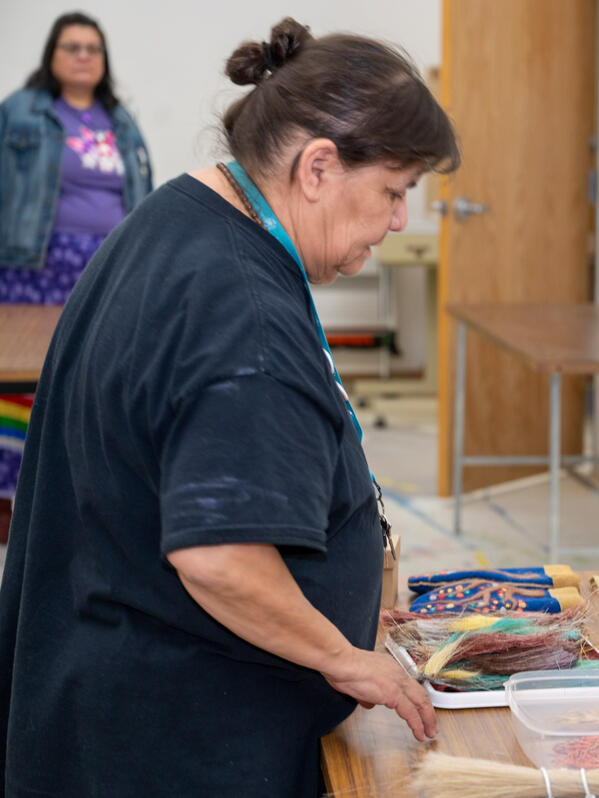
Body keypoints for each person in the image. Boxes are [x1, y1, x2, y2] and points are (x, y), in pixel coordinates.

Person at [0, 17, 459, 797]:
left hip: (103, 692)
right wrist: (345, 658)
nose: (398, 221)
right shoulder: (241, 312)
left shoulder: (180, 214)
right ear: (317, 167)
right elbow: (220, 558)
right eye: (392, 190)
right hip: (174, 741)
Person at [0, 11, 153, 541]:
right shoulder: (21, 112)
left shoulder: (121, 120)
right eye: (72, 46)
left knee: (93, 376)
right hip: (36, 266)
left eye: (93, 47)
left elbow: (140, 194)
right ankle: (8, 496)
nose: (84, 55)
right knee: (23, 382)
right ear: (52, 55)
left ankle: (74, 490)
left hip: (109, 264)